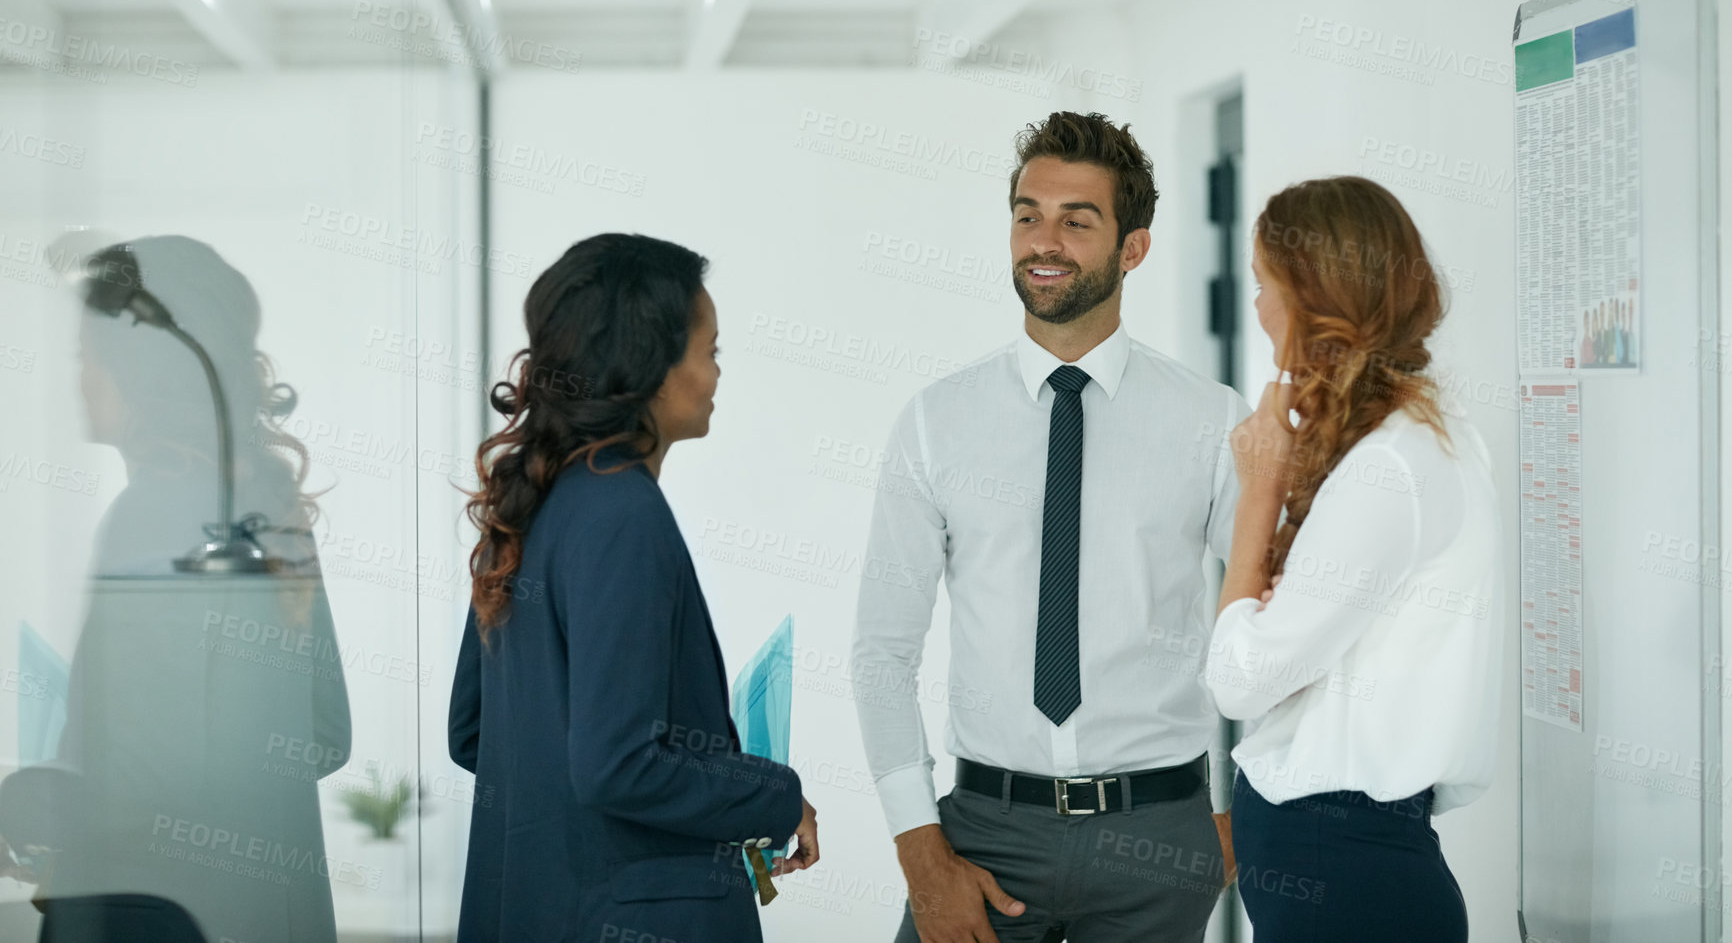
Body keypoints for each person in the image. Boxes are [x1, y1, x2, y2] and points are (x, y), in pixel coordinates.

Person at [853, 111, 1248, 943]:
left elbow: (1271, 628)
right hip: (984, 831)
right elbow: (881, 650)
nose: (1044, 240)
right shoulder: (936, 423)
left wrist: (1241, 804)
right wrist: (920, 851)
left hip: (1159, 834)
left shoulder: (1209, 421)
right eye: (1027, 213)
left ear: (1132, 247)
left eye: (1077, 220)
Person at [450, 233, 819, 943]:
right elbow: (620, 766)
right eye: (710, 351)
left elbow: (475, 735)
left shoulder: (532, 502)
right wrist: (774, 797)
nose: (716, 375)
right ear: (651, 365)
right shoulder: (623, 513)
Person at [0, 236, 350, 943]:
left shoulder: (154, 514)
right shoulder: (262, 512)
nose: (75, 372)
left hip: (159, 916)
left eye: (85, 352)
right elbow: (323, 736)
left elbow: (140, 776)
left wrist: (22, 803)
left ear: (140, 363)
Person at [1204, 176, 1502, 943]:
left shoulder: (1386, 467)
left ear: (1312, 300)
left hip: (1340, 876)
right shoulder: (1422, 438)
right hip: (1349, 869)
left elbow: (1239, 680)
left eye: (1266, 287)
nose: (1260, 310)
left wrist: (1258, 494)